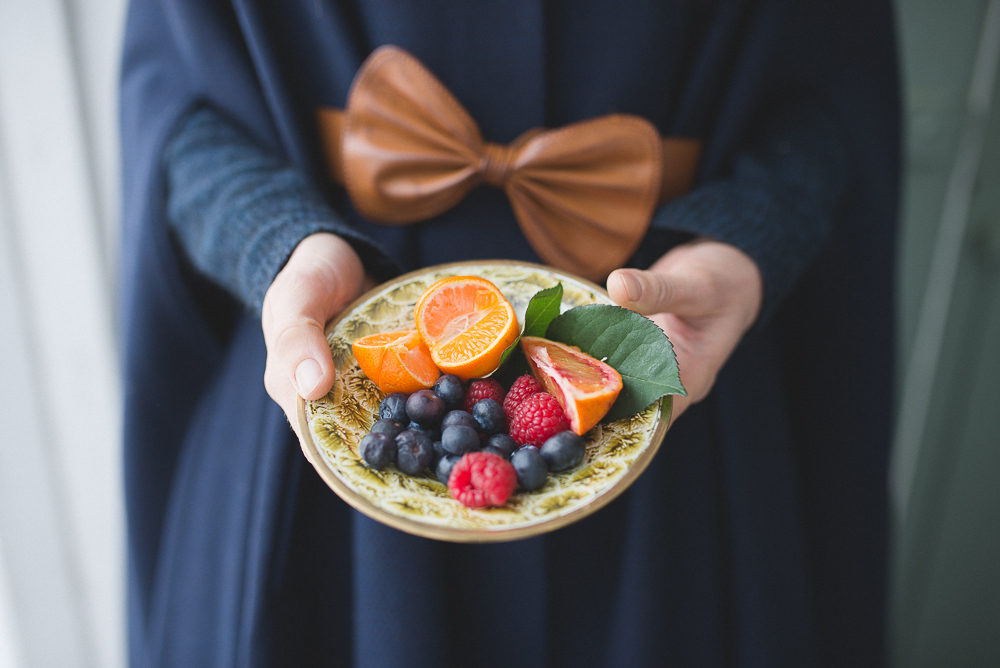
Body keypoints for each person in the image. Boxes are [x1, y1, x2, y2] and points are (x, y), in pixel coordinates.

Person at [119, 1, 899, 666]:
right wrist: (276, 238)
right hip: (346, 386)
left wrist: (748, 231)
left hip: (665, 372)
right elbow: (177, 92)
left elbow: (836, 86)